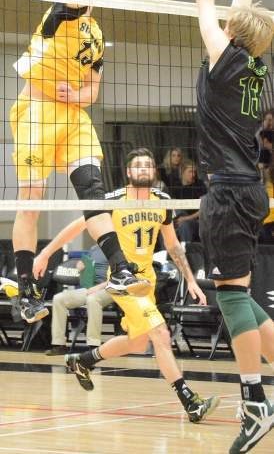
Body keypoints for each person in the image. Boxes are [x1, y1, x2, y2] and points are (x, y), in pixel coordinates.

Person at [10, 0, 152, 324]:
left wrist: (78, 94)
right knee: (32, 199)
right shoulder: (60, 9)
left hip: (73, 117)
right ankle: (26, 291)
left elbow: (93, 90)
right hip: (36, 114)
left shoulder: (94, 33)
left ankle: (120, 268)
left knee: (93, 190)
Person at [34, 148, 220, 423]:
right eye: (138, 166)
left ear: (154, 172)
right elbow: (78, 226)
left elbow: (172, 246)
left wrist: (191, 280)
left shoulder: (162, 201)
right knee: (160, 335)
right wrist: (46, 253)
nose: (143, 169)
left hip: (148, 280)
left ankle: (83, 360)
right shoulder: (112, 199)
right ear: (129, 173)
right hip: (124, 281)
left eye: (148, 165)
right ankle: (190, 402)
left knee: (138, 342)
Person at [195, 0, 274, 454]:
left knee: (230, 297)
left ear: (231, 34)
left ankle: (254, 403)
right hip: (252, 191)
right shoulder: (258, 69)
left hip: (227, 191)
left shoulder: (225, 61)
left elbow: (206, 4)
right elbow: (235, 14)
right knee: (243, 295)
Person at [41, 245, 112, 355]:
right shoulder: (94, 249)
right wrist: (81, 267)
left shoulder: (118, 248)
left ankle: (93, 345)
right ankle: (59, 344)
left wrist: (98, 287)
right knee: (59, 299)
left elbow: (120, 277)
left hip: (110, 289)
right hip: (90, 288)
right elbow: (86, 265)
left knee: (92, 299)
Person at [174, 160, 207, 243]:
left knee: (184, 224)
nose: (193, 175)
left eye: (194, 172)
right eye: (190, 172)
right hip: (180, 217)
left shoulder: (199, 184)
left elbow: (204, 208)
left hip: (197, 220)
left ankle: (187, 251)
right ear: (182, 172)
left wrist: (186, 218)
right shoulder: (176, 186)